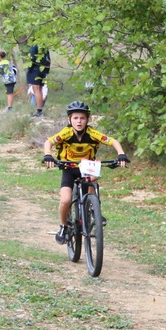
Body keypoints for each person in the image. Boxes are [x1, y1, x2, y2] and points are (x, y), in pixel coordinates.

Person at [42, 100, 128, 243]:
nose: (79, 121)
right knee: (65, 200)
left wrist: (121, 154)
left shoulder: (92, 133)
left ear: (87, 120)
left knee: (93, 180)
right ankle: (63, 226)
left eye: (82, 118)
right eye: (75, 118)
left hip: (87, 167)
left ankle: (94, 209)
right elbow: (49, 142)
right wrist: (48, 155)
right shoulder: (66, 133)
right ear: (69, 120)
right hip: (69, 168)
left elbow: (113, 141)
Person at [26, 45, 50, 116]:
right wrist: (47, 70)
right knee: (40, 89)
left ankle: (39, 110)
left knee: (36, 90)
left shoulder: (34, 45)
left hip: (35, 70)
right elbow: (48, 58)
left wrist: (29, 68)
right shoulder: (44, 46)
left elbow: (32, 58)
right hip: (43, 69)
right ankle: (40, 109)